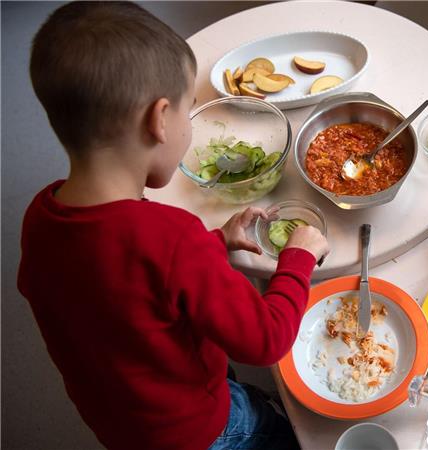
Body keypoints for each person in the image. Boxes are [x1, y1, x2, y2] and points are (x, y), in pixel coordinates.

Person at [17, 3, 329, 449]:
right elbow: (266, 340)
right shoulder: (173, 238)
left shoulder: (40, 215)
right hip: (198, 430)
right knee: (273, 434)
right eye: (190, 109)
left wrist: (215, 242)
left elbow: (123, 279)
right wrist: (298, 258)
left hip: (122, 419)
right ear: (159, 119)